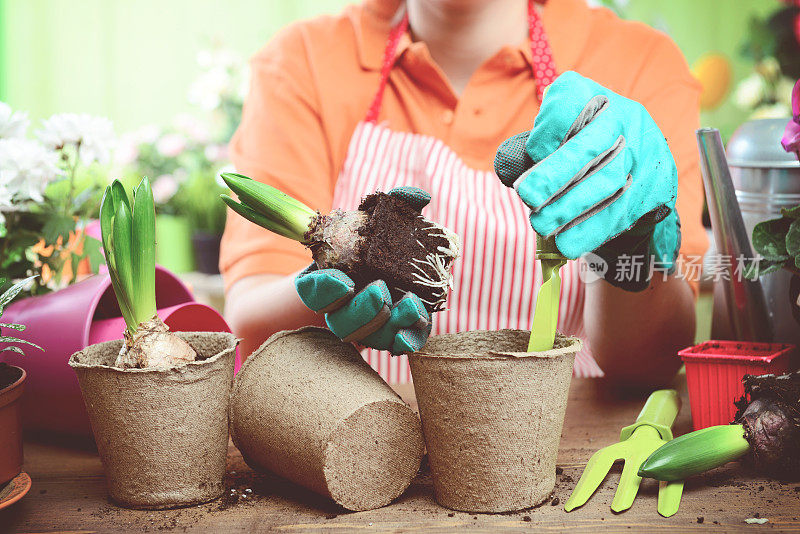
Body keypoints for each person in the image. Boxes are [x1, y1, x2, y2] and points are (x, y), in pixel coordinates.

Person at [220, 0, 708, 388]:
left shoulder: (640, 62)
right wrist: (351, 260)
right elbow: (250, 329)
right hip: (357, 445)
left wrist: (629, 241)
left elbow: (654, 362)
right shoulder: (303, 62)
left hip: (562, 449)